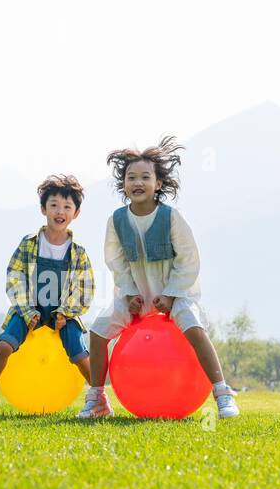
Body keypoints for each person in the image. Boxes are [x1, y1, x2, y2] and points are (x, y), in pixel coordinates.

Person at [78, 136, 239, 420]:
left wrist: (171, 294)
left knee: (193, 326)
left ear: (159, 183)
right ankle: (97, 398)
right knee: (98, 331)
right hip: (135, 296)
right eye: (131, 177)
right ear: (123, 184)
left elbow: (188, 259)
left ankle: (222, 392)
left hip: (176, 293)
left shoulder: (171, 217)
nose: (137, 182)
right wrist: (129, 294)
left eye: (145, 177)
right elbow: (116, 262)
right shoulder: (116, 220)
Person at [0, 174, 95, 418]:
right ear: (43, 209)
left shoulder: (78, 253)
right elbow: (14, 277)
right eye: (54, 205)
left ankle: (98, 397)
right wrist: (28, 312)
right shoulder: (28, 244)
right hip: (29, 309)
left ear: (76, 213)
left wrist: (65, 313)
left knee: (79, 353)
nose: (60, 211)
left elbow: (85, 288)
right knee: (4, 345)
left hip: (63, 314)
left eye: (67, 206)